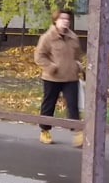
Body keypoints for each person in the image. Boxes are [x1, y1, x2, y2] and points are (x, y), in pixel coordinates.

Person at [34, 8, 84, 146]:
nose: (65, 21)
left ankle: (78, 132)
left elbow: (78, 55)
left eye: (67, 19)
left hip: (71, 78)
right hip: (52, 78)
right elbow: (39, 56)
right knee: (49, 104)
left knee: (73, 105)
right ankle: (45, 131)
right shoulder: (47, 37)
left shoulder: (73, 38)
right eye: (62, 19)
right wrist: (51, 67)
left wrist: (78, 65)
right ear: (55, 21)